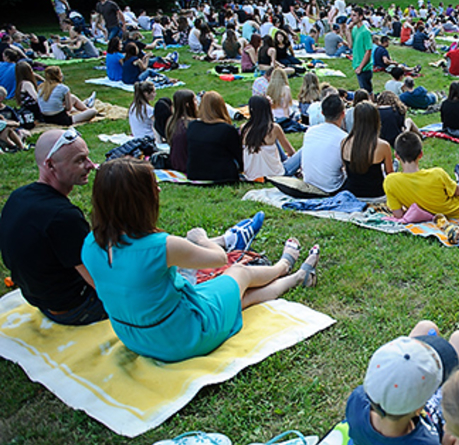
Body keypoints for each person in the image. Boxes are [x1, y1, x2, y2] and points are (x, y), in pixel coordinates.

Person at [82, 158, 319, 363]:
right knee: (239, 272)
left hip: (136, 338)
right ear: (140, 200)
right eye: (154, 187)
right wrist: (202, 238)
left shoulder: (90, 245)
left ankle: (298, 277)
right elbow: (219, 259)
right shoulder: (162, 246)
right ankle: (284, 266)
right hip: (184, 335)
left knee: (241, 298)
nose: (160, 191)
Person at [345, 322, 459, 445]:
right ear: (419, 408)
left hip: (408, 403)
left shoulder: (358, 398)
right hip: (442, 411)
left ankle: (405, 367)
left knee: (426, 326)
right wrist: (447, 442)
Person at [0, 129, 107, 325]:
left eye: (88, 157)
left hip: (38, 298)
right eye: (79, 160)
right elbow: (98, 281)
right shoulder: (63, 217)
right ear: (50, 165)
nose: (90, 165)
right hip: (72, 308)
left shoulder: (18, 196)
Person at [384, 132, 459, 218]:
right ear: (421, 154)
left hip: (438, 214)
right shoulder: (437, 174)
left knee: (458, 185)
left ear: (397, 155)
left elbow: (398, 214)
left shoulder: (390, 182)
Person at [340, 102, 393, 199]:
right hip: (376, 194)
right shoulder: (383, 146)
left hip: (352, 193)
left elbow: (346, 169)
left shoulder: (345, 142)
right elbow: (390, 174)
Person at [186, 91, 243, 182]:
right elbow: (238, 155)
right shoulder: (226, 129)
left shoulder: (192, 126)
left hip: (194, 173)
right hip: (222, 174)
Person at [241, 96, 302, 180]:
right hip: (276, 174)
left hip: (251, 174)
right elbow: (291, 151)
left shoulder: (244, 128)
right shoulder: (274, 128)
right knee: (303, 151)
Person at [301, 94, 348, 193]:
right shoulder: (344, 138)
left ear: (322, 113)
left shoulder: (310, 131)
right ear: (343, 114)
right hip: (332, 187)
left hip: (309, 182)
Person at [166, 89, 197, 173]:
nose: (196, 102)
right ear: (188, 104)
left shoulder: (171, 121)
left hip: (175, 163)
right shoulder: (191, 124)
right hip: (188, 165)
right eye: (194, 100)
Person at [349, 7, 373, 92]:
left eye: (354, 15)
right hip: (356, 63)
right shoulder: (355, 29)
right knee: (363, 89)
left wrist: (361, 67)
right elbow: (350, 45)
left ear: (361, 17)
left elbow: (368, 51)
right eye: (351, 15)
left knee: (367, 91)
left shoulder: (365, 31)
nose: (352, 17)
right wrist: (347, 30)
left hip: (364, 67)